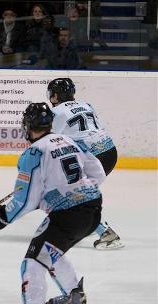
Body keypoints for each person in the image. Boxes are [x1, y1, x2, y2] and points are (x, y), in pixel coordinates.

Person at [0, 102, 106, 304]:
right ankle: (73, 296)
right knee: (48, 251)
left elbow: (25, 201)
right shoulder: (70, 141)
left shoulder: (33, 153)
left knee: (33, 261)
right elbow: (97, 172)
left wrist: (0, 218)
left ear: (27, 126)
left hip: (68, 216)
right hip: (93, 209)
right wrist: (76, 191)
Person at [47, 78, 123, 249]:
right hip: (110, 152)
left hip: (92, 158)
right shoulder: (87, 105)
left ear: (54, 96)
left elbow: (52, 143)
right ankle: (90, 224)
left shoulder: (56, 112)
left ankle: (105, 233)